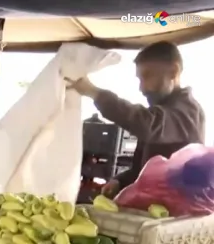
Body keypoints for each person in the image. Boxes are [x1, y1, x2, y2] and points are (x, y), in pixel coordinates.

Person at [67, 41, 205, 198]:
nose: (142, 88)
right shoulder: (160, 113)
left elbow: (147, 124)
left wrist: (93, 92)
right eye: (140, 79)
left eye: (147, 76)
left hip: (176, 212)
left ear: (173, 71)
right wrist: (119, 181)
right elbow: (141, 169)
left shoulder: (189, 112)